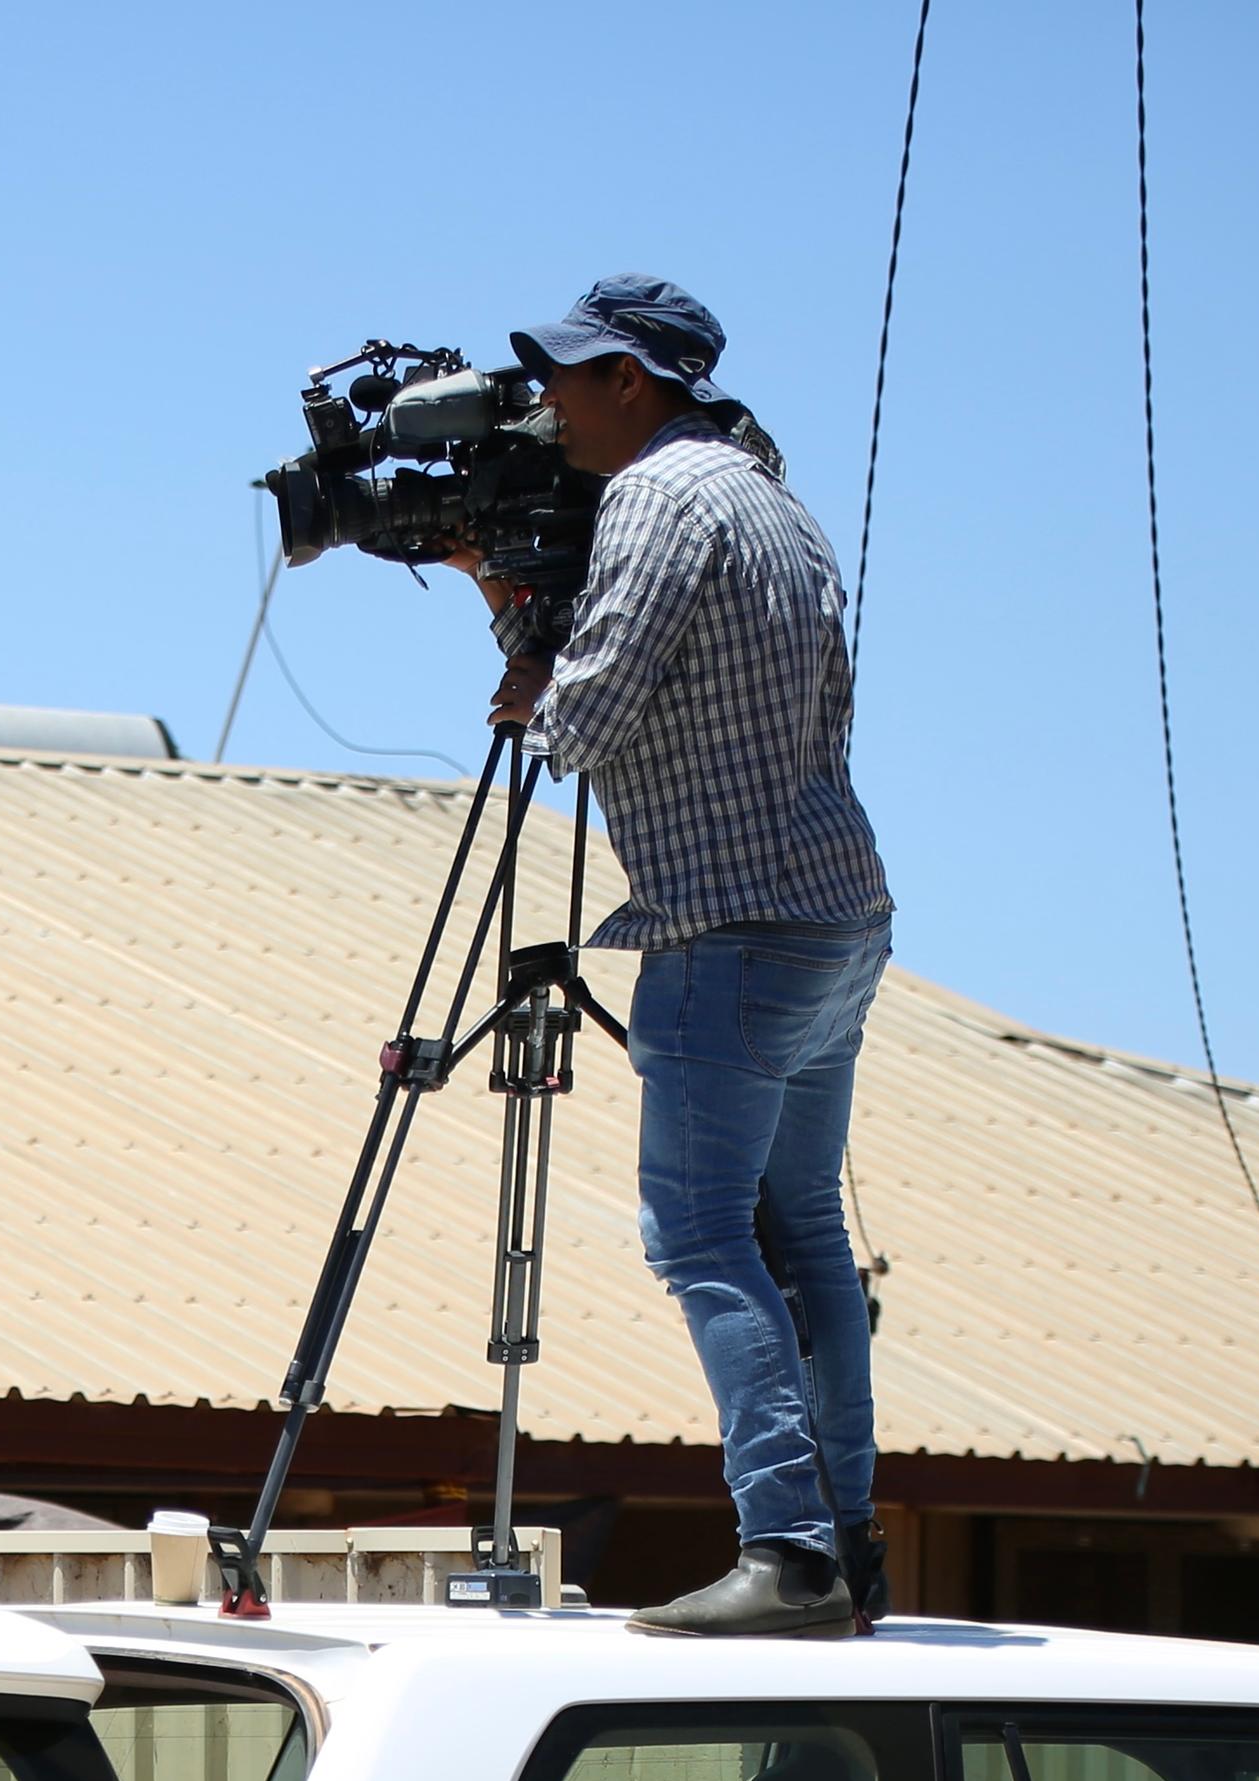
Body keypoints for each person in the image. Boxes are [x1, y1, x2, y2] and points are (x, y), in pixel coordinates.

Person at [475, 275, 897, 1638]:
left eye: (567, 374)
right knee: (803, 1229)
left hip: (729, 920)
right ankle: (848, 1540)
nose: (548, 401)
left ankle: (787, 1550)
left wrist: (507, 613)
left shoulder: (657, 498)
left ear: (631, 381)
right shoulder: (773, 494)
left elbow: (584, 718)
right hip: (836, 909)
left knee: (703, 1234)